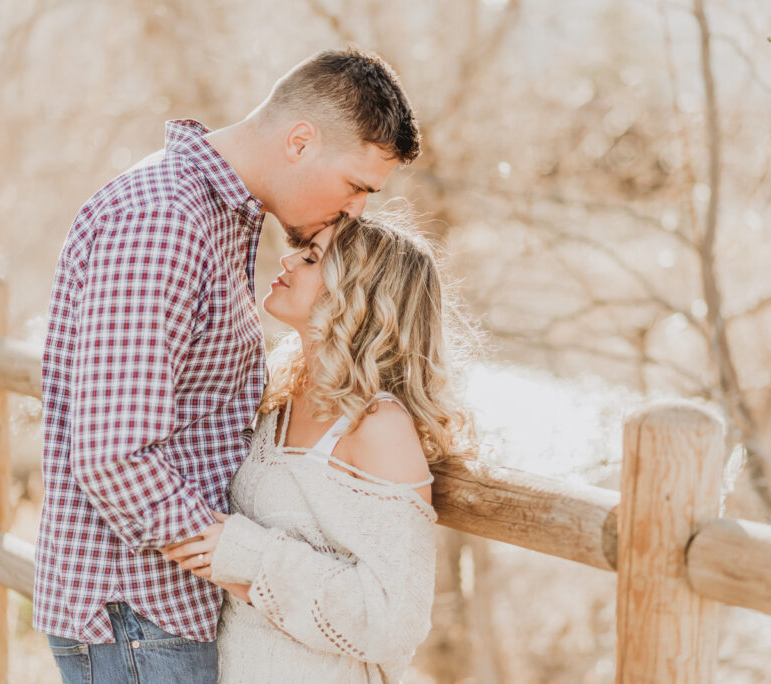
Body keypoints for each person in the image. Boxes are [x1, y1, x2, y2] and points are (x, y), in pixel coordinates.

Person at [33, 48, 421, 684]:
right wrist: (241, 558)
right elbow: (112, 454)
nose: (356, 211)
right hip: (138, 610)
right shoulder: (165, 218)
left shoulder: (217, 217)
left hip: (161, 608)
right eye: (356, 185)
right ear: (301, 141)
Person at [162, 213, 476, 683]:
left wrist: (247, 558)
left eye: (311, 258)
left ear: (357, 295)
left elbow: (394, 621)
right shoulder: (280, 399)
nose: (287, 259)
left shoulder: (377, 425)